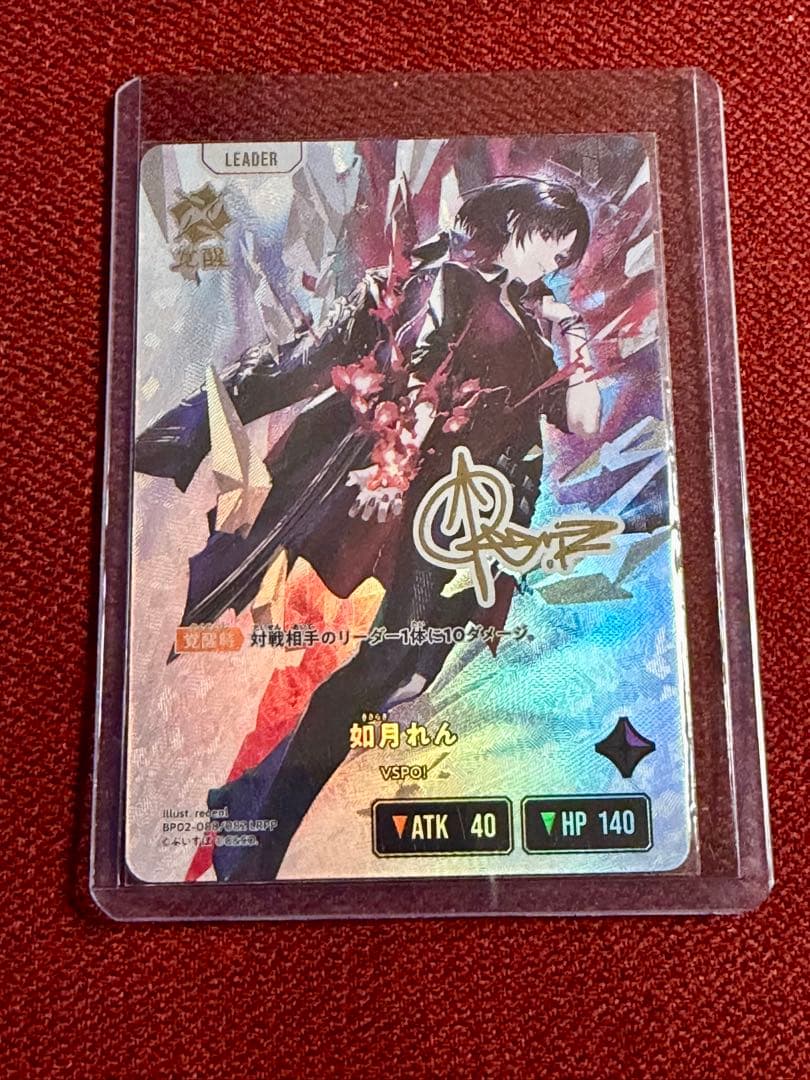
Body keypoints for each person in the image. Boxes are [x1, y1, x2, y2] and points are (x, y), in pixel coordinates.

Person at [135, 176, 602, 881]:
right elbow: (417, 379)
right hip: (420, 497)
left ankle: (249, 806)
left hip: (470, 527)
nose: (553, 261)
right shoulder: (452, 281)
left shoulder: (535, 331)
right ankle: (254, 834)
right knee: (389, 664)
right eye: (547, 241)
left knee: (404, 674)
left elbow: (583, 421)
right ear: (512, 222)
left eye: (565, 254)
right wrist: (392, 470)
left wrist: (573, 335)